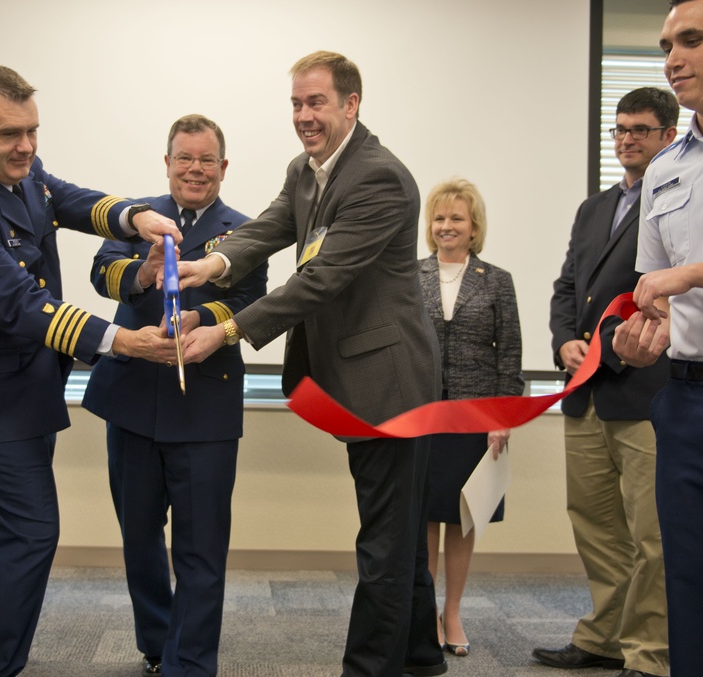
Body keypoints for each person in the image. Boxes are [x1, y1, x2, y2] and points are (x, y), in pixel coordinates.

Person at [179, 51, 446, 677]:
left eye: (316, 102)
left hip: (392, 382)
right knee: (397, 529)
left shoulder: (380, 177)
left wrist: (227, 328)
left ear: (351, 104)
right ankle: (420, 655)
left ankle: (370, 668)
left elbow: (321, 278)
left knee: (382, 539)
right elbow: (267, 229)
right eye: (297, 103)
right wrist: (209, 266)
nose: (304, 116)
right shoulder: (305, 169)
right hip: (359, 376)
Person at [0, 65, 182, 677]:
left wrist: (136, 216)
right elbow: (22, 307)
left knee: (10, 535)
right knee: (31, 536)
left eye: (33, 131)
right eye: (11, 134)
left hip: (32, 391)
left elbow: (68, 199)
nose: (27, 147)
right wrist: (121, 341)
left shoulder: (22, 171)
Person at [82, 114, 267, 677]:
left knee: (201, 547)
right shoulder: (139, 217)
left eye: (205, 160)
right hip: (132, 401)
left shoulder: (245, 229)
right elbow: (100, 271)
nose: (194, 169)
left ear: (223, 168)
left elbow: (253, 300)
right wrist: (142, 273)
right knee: (139, 538)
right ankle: (159, 645)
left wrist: (200, 315)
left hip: (204, 409)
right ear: (167, 162)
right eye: (184, 158)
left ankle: (190, 663)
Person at [537, 88, 678, 677]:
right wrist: (566, 340)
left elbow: (673, 293)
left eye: (641, 130)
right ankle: (605, 635)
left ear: (670, 136)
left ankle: (648, 654)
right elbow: (568, 285)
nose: (627, 139)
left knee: (651, 536)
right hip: (586, 390)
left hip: (646, 390)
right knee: (595, 524)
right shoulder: (594, 208)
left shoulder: (677, 203)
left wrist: (610, 351)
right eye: (621, 129)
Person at [612, 2, 703, 675]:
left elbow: (677, 274)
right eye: (667, 44)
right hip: (687, 399)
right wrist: (638, 338)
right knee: (688, 583)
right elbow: (654, 291)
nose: (673, 58)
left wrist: (687, 273)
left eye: (691, 41)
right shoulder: (667, 171)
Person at [419, 179, 523, 660]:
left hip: (475, 414)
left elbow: (511, 355)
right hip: (421, 413)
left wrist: (503, 415)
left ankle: (452, 612)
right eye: (439, 218)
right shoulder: (409, 274)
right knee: (423, 518)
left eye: (456, 218)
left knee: (461, 517)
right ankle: (423, 616)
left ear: (473, 225)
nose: (446, 227)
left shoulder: (496, 279)